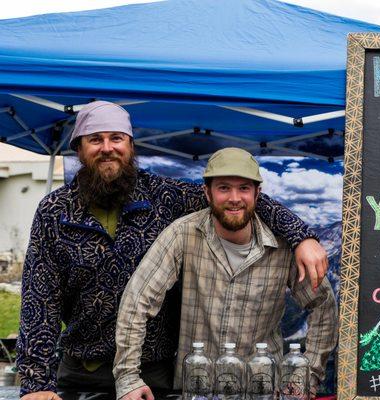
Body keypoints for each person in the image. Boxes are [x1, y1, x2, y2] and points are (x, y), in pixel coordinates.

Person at [17, 101, 328, 400]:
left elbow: (235, 201)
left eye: (117, 138)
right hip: (82, 366)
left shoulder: (164, 196)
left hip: (153, 372)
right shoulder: (55, 210)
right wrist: (35, 383)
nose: (107, 147)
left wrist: (302, 237)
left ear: (131, 146)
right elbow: (39, 300)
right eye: (95, 139)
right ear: (79, 148)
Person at [114, 147, 337, 400]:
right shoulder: (182, 235)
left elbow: (324, 307)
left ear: (257, 194)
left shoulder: (285, 246)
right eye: (223, 188)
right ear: (207, 193)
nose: (234, 198)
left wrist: (305, 377)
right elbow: (137, 300)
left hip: (262, 390)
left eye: (244, 188)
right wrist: (127, 377)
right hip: (195, 389)